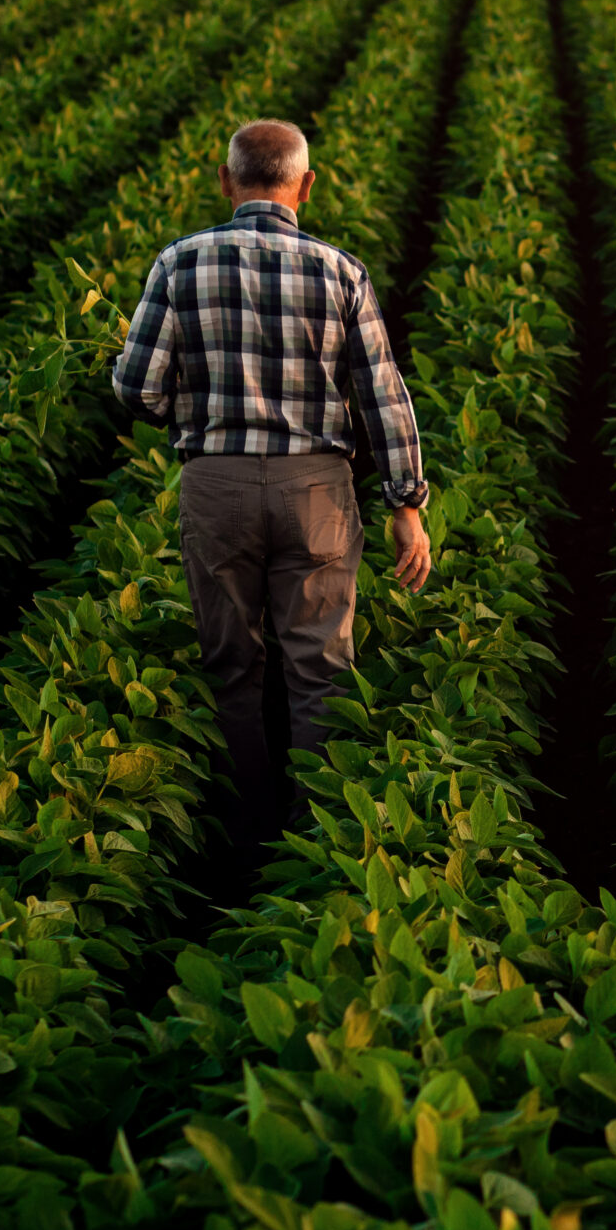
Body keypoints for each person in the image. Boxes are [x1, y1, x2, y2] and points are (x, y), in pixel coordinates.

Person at [110, 119, 432, 844]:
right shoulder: (339, 271)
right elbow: (383, 395)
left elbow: (134, 386)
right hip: (316, 487)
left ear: (225, 180)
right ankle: (315, 835)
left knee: (232, 664)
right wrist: (405, 502)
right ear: (306, 186)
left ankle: (245, 830)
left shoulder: (178, 264)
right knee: (319, 666)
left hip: (216, 479)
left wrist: (188, 407)